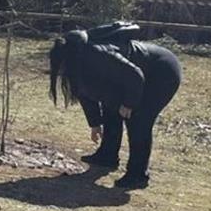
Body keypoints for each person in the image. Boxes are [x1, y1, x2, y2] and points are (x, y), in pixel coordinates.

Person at [49, 29, 182, 189]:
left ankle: (137, 175)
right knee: (111, 107)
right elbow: (85, 93)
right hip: (130, 79)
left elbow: (135, 75)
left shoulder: (100, 55)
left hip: (161, 70)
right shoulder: (78, 66)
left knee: (139, 121)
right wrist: (95, 124)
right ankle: (107, 155)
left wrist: (129, 104)